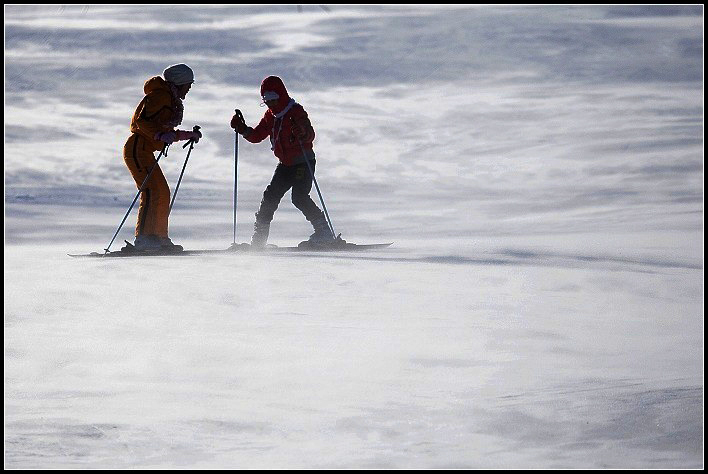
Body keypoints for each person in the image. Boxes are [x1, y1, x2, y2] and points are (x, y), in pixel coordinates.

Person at [230, 75, 334, 248]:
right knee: (270, 197)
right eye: (266, 100)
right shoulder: (271, 116)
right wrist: (242, 129)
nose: (270, 103)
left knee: (299, 197)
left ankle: (324, 232)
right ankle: (259, 240)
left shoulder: (296, 111)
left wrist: (302, 131)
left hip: (302, 161)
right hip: (285, 165)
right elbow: (257, 136)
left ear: (282, 95)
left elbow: (310, 135)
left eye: (273, 99)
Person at [123, 63, 202, 251]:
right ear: (180, 83)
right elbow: (142, 122)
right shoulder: (161, 96)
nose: (189, 88)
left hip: (145, 150)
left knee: (162, 191)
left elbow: (163, 130)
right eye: (188, 84)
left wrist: (186, 135)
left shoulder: (169, 98)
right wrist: (159, 136)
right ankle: (143, 239)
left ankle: (159, 238)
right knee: (151, 191)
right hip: (137, 149)